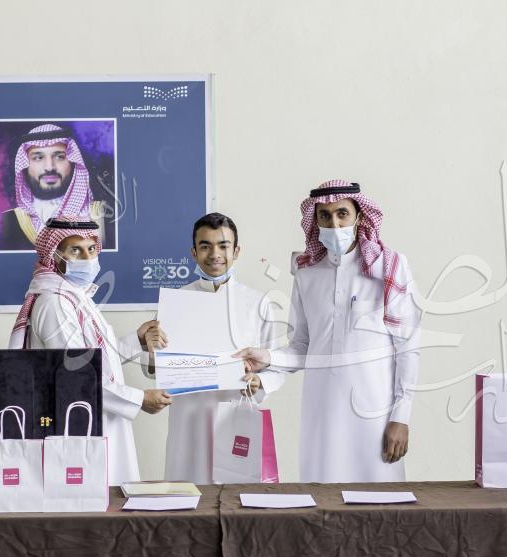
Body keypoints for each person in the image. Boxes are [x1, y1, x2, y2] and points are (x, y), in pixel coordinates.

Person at [235, 180, 422, 483]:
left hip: (375, 412)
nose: (334, 224)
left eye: (342, 214)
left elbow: (408, 348)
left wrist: (401, 417)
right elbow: (303, 346)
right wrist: (267, 357)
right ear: (316, 221)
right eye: (325, 216)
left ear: (359, 216)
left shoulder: (389, 267)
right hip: (321, 411)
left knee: (381, 501)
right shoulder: (306, 272)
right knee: (322, 497)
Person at [9, 217, 171, 485]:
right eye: (75, 250)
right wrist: (139, 399)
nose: (87, 257)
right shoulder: (54, 303)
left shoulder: (74, 295)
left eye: (92, 249)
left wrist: (138, 340)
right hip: (80, 426)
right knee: (89, 499)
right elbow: (77, 376)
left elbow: (95, 354)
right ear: (54, 255)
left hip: (98, 419)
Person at [140, 213, 285, 484]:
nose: (215, 254)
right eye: (205, 246)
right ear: (194, 252)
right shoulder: (175, 303)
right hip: (188, 420)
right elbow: (154, 369)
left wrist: (260, 382)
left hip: (235, 415)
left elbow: (276, 365)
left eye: (223, 245)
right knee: (188, 494)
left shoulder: (258, 303)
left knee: (236, 496)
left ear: (236, 251)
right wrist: (149, 349)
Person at [0, 124, 107, 250]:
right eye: (38, 158)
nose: (49, 167)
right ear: (24, 166)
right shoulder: (10, 221)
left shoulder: (100, 216)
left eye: (59, 157)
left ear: (73, 162)